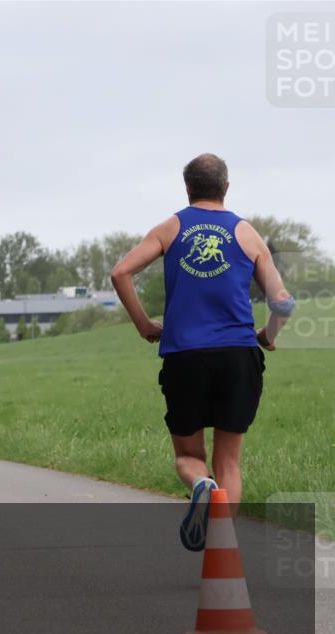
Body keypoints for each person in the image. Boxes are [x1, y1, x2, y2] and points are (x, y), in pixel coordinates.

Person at [111, 153, 294, 552]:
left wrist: (145, 325)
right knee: (230, 461)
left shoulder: (171, 227)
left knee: (188, 456)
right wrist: (267, 334)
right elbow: (282, 301)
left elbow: (120, 272)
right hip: (238, 355)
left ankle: (201, 486)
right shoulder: (247, 233)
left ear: (188, 188)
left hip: (185, 357)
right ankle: (223, 549)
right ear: (226, 188)